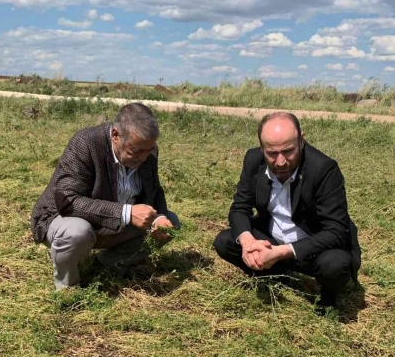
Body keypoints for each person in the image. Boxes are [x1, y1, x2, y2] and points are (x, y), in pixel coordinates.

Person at [213, 111, 360, 311]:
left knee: (335, 265)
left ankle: (327, 296)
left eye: (288, 151)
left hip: (312, 245)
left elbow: (337, 231)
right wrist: (248, 242)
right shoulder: (253, 160)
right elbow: (240, 207)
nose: (281, 161)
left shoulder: (324, 169)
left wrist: (282, 252)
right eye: (272, 153)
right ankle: (274, 275)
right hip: (271, 238)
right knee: (226, 241)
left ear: (301, 140)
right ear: (262, 147)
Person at [31, 103, 179, 289]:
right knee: (77, 232)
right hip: (62, 219)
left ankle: (106, 266)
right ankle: (68, 288)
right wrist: (126, 213)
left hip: (115, 225)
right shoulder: (86, 143)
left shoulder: (147, 150)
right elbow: (68, 201)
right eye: (136, 151)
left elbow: (154, 189)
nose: (144, 157)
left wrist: (160, 218)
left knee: (172, 222)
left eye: (149, 150)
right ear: (116, 135)